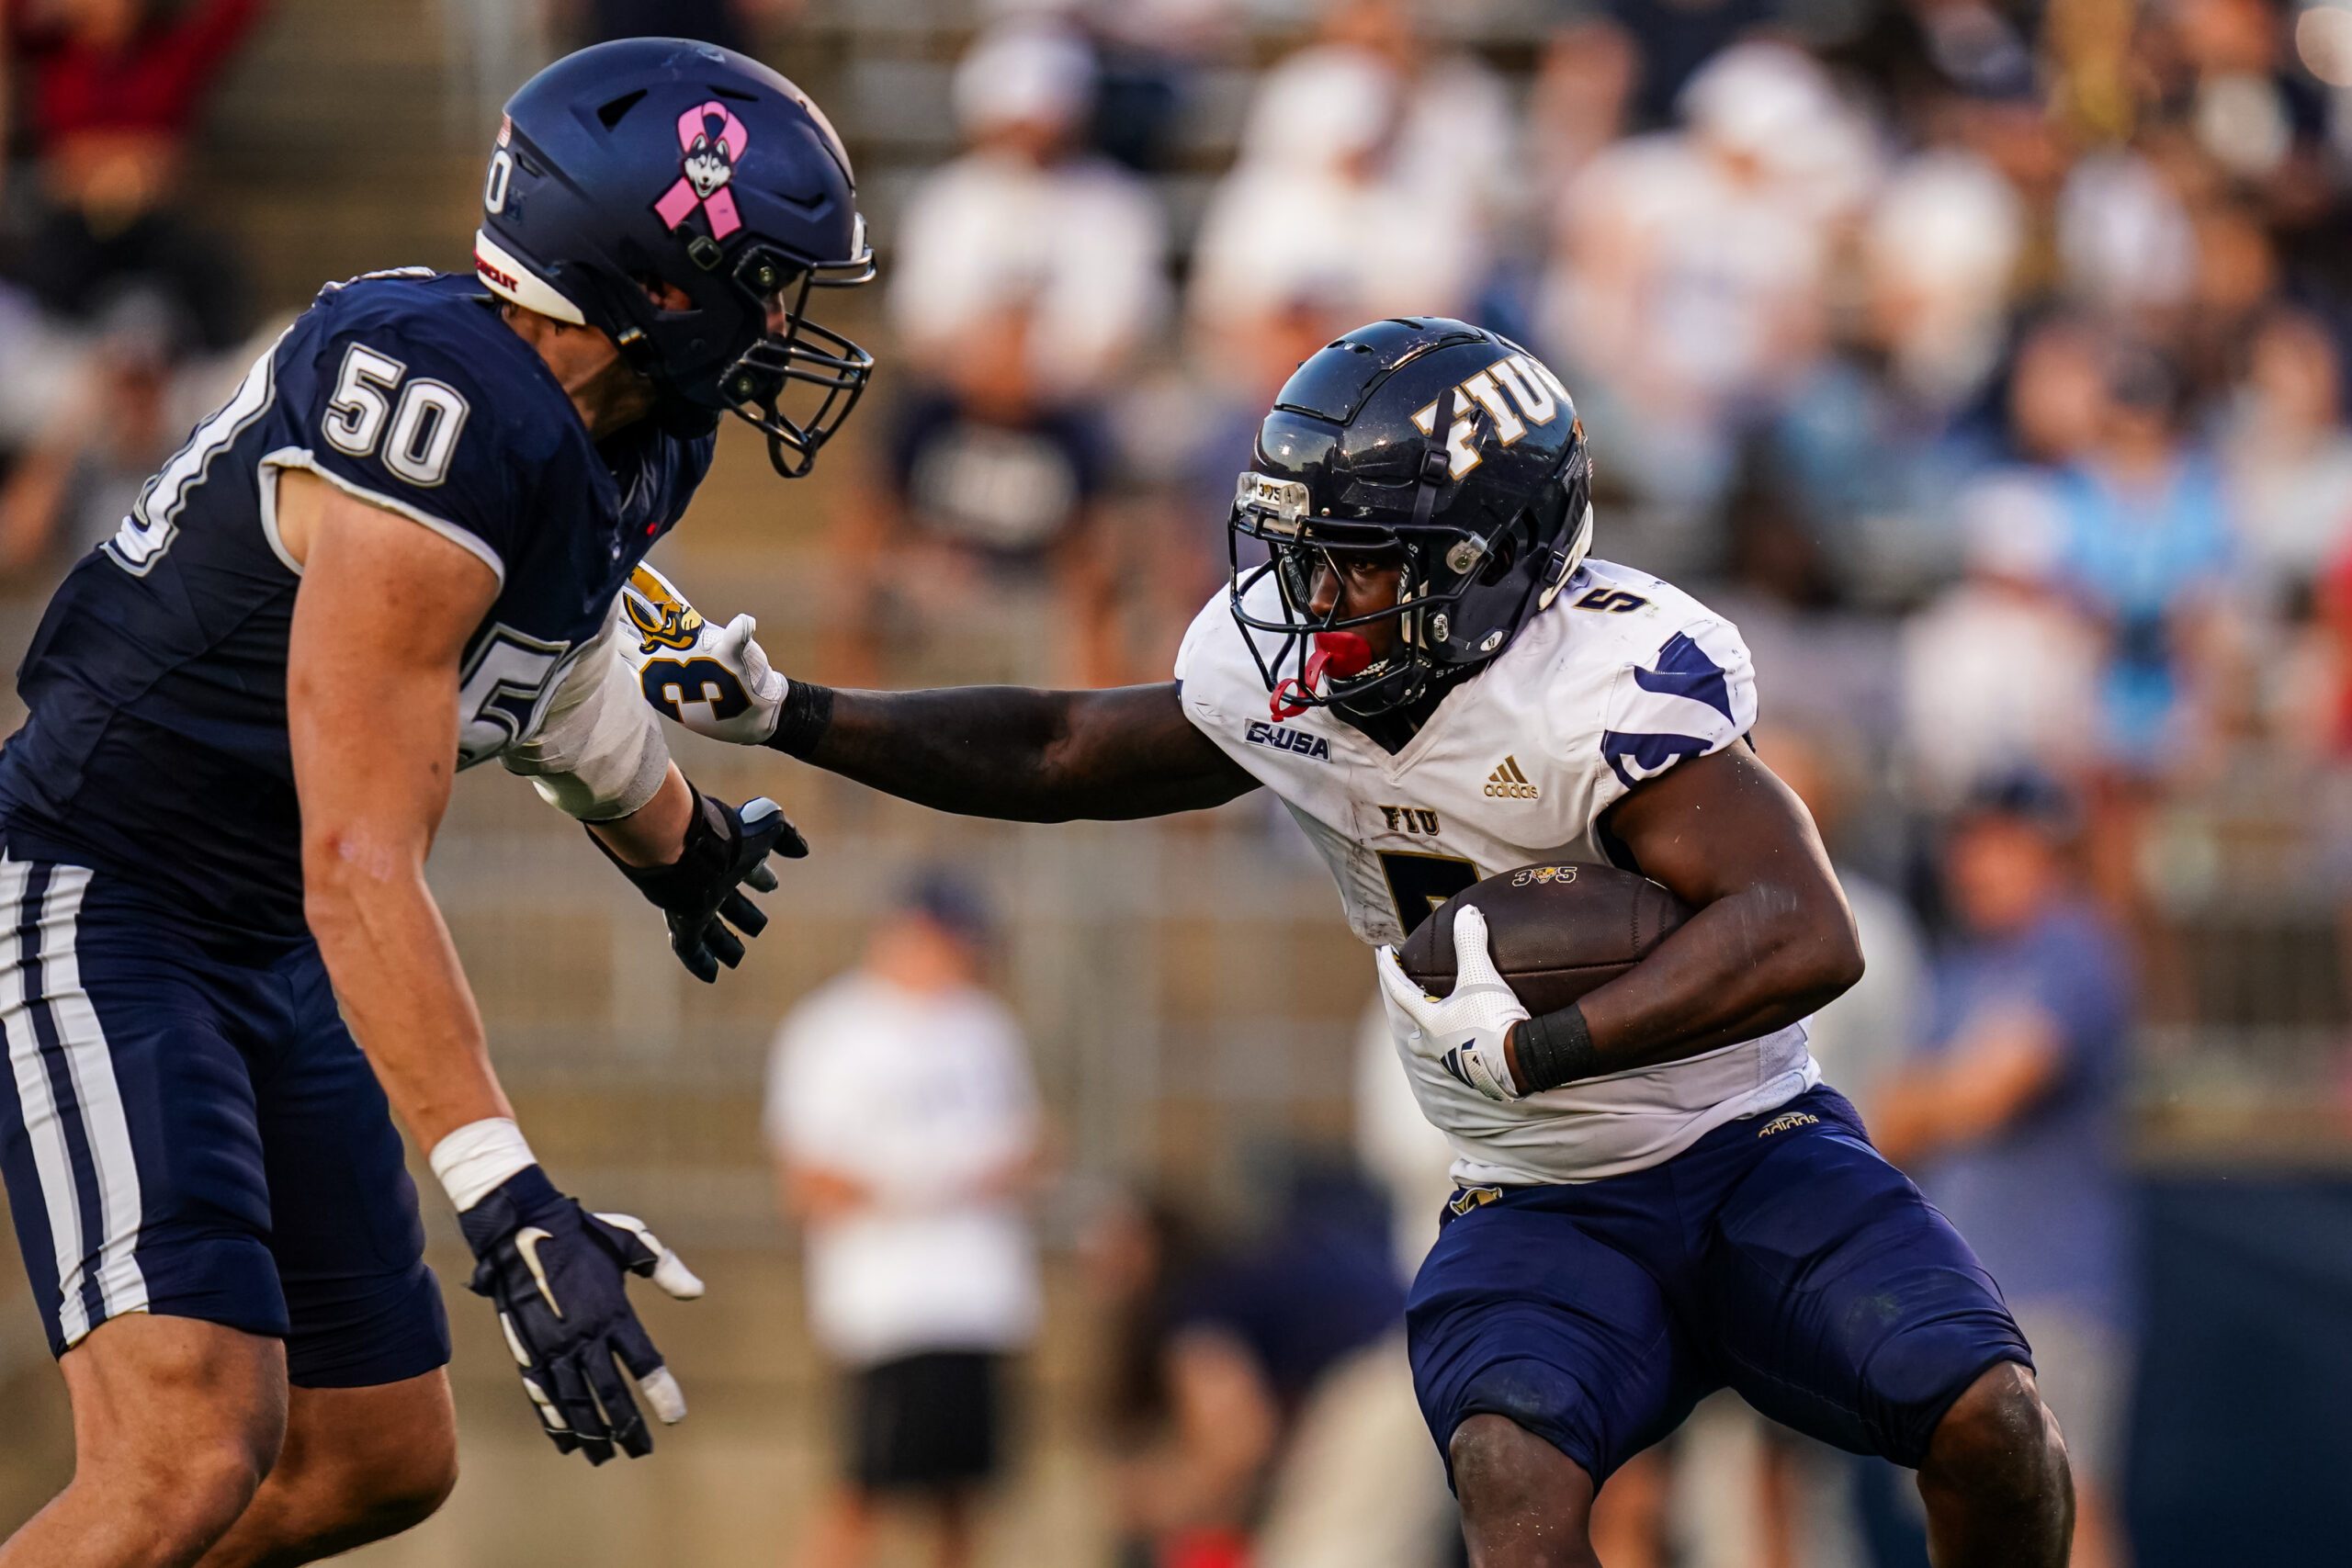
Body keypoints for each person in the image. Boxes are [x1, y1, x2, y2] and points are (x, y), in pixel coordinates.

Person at [630, 318, 2076, 1566]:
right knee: (1514, 1478)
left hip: (1747, 1138)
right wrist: (792, 712)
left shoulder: (1608, 679)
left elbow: (1803, 927)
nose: (1311, 600)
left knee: (1991, 1420)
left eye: (1361, 562)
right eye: (1301, 553)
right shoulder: (1292, 674)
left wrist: (1546, 1038)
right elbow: (1065, 744)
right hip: (1534, 1187)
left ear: (1488, 560)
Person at [0, 38, 872, 1568]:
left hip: (262, 930)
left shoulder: (622, 423)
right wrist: (507, 1191)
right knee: (186, 1446)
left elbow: (553, 668)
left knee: (374, 1454)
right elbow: (358, 850)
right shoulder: (441, 403)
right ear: (658, 280)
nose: (790, 326)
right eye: (770, 282)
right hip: (106, 891)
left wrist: (675, 841)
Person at [1872, 777, 2136, 1568]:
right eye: (1966, 840)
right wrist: (1937, 1094)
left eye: (1996, 840)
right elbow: (1889, 1123)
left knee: (2070, 1504)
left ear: (2043, 849)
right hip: (1961, 1294)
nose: (1974, 861)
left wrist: (1937, 1094)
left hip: (2051, 1291)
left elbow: (1987, 1091)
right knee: (1962, 1511)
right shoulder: (1957, 971)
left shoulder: (2074, 946)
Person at [767, 874, 1043, 1568]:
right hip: (887, 1302)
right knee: (864, 1490)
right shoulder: (832, 1029)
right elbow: (808, 1178)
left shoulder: (984, 1026)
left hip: (976, 1297)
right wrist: (931, 1180)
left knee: (962, 1497)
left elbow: (1029, 1143)